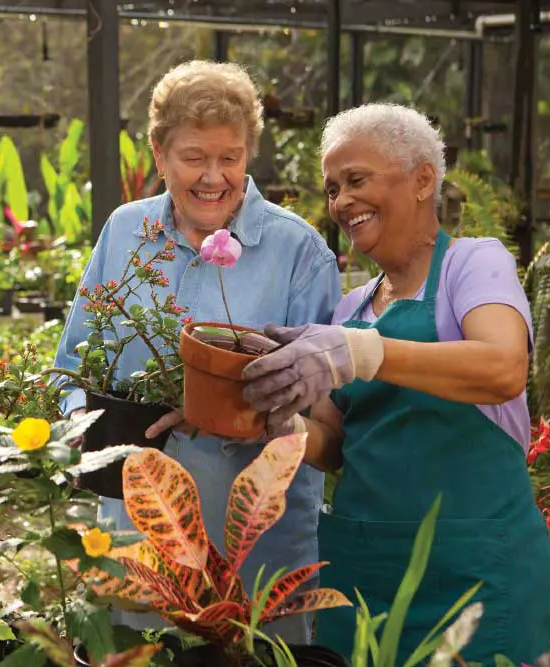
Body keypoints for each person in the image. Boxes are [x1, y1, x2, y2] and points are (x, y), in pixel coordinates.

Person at [241, 103, 550, 663]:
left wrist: (367, 352)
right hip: (366, 576)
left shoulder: (473, 267)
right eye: (333, 188)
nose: (340, 202)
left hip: (472, 576)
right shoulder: (350, 309)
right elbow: (335, 446)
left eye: (356, 180)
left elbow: (503, 368)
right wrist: (275, 421)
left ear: (422, 179)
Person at [53, 60, 341, 644]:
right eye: (194, 157)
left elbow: (326, 422)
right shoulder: (126, 231)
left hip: (257, 553)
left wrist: (231, 408)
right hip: (140, 545)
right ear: (159, 156)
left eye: (229, 157)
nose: (214, 177)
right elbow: (72, 368)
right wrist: (77, 437)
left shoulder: (298, 253)